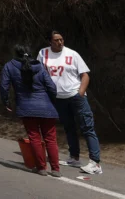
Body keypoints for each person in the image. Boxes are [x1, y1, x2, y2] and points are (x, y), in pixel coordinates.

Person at [39, 31, 101, 175]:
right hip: (58, 98)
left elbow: (85, 75)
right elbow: (41, 74)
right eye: (56, 40)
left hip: (75, 96)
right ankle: (74, 157)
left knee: (87, 127)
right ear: (50, 42)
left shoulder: (72, 54)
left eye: (61, 39)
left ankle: (95, 163)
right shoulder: (43, 54)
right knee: (69, 127)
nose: (60, 42)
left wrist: (80, 93)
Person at [2, 45, 61, 177]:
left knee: (35, 138)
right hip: (47, 107)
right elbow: (51, 87)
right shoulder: (39, 66)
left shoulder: (9, 66)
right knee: (51, 139)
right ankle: (56, 169)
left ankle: (41, 168)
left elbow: (4, 86)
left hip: (26, 107)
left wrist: (6, 102)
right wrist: (52, 102)